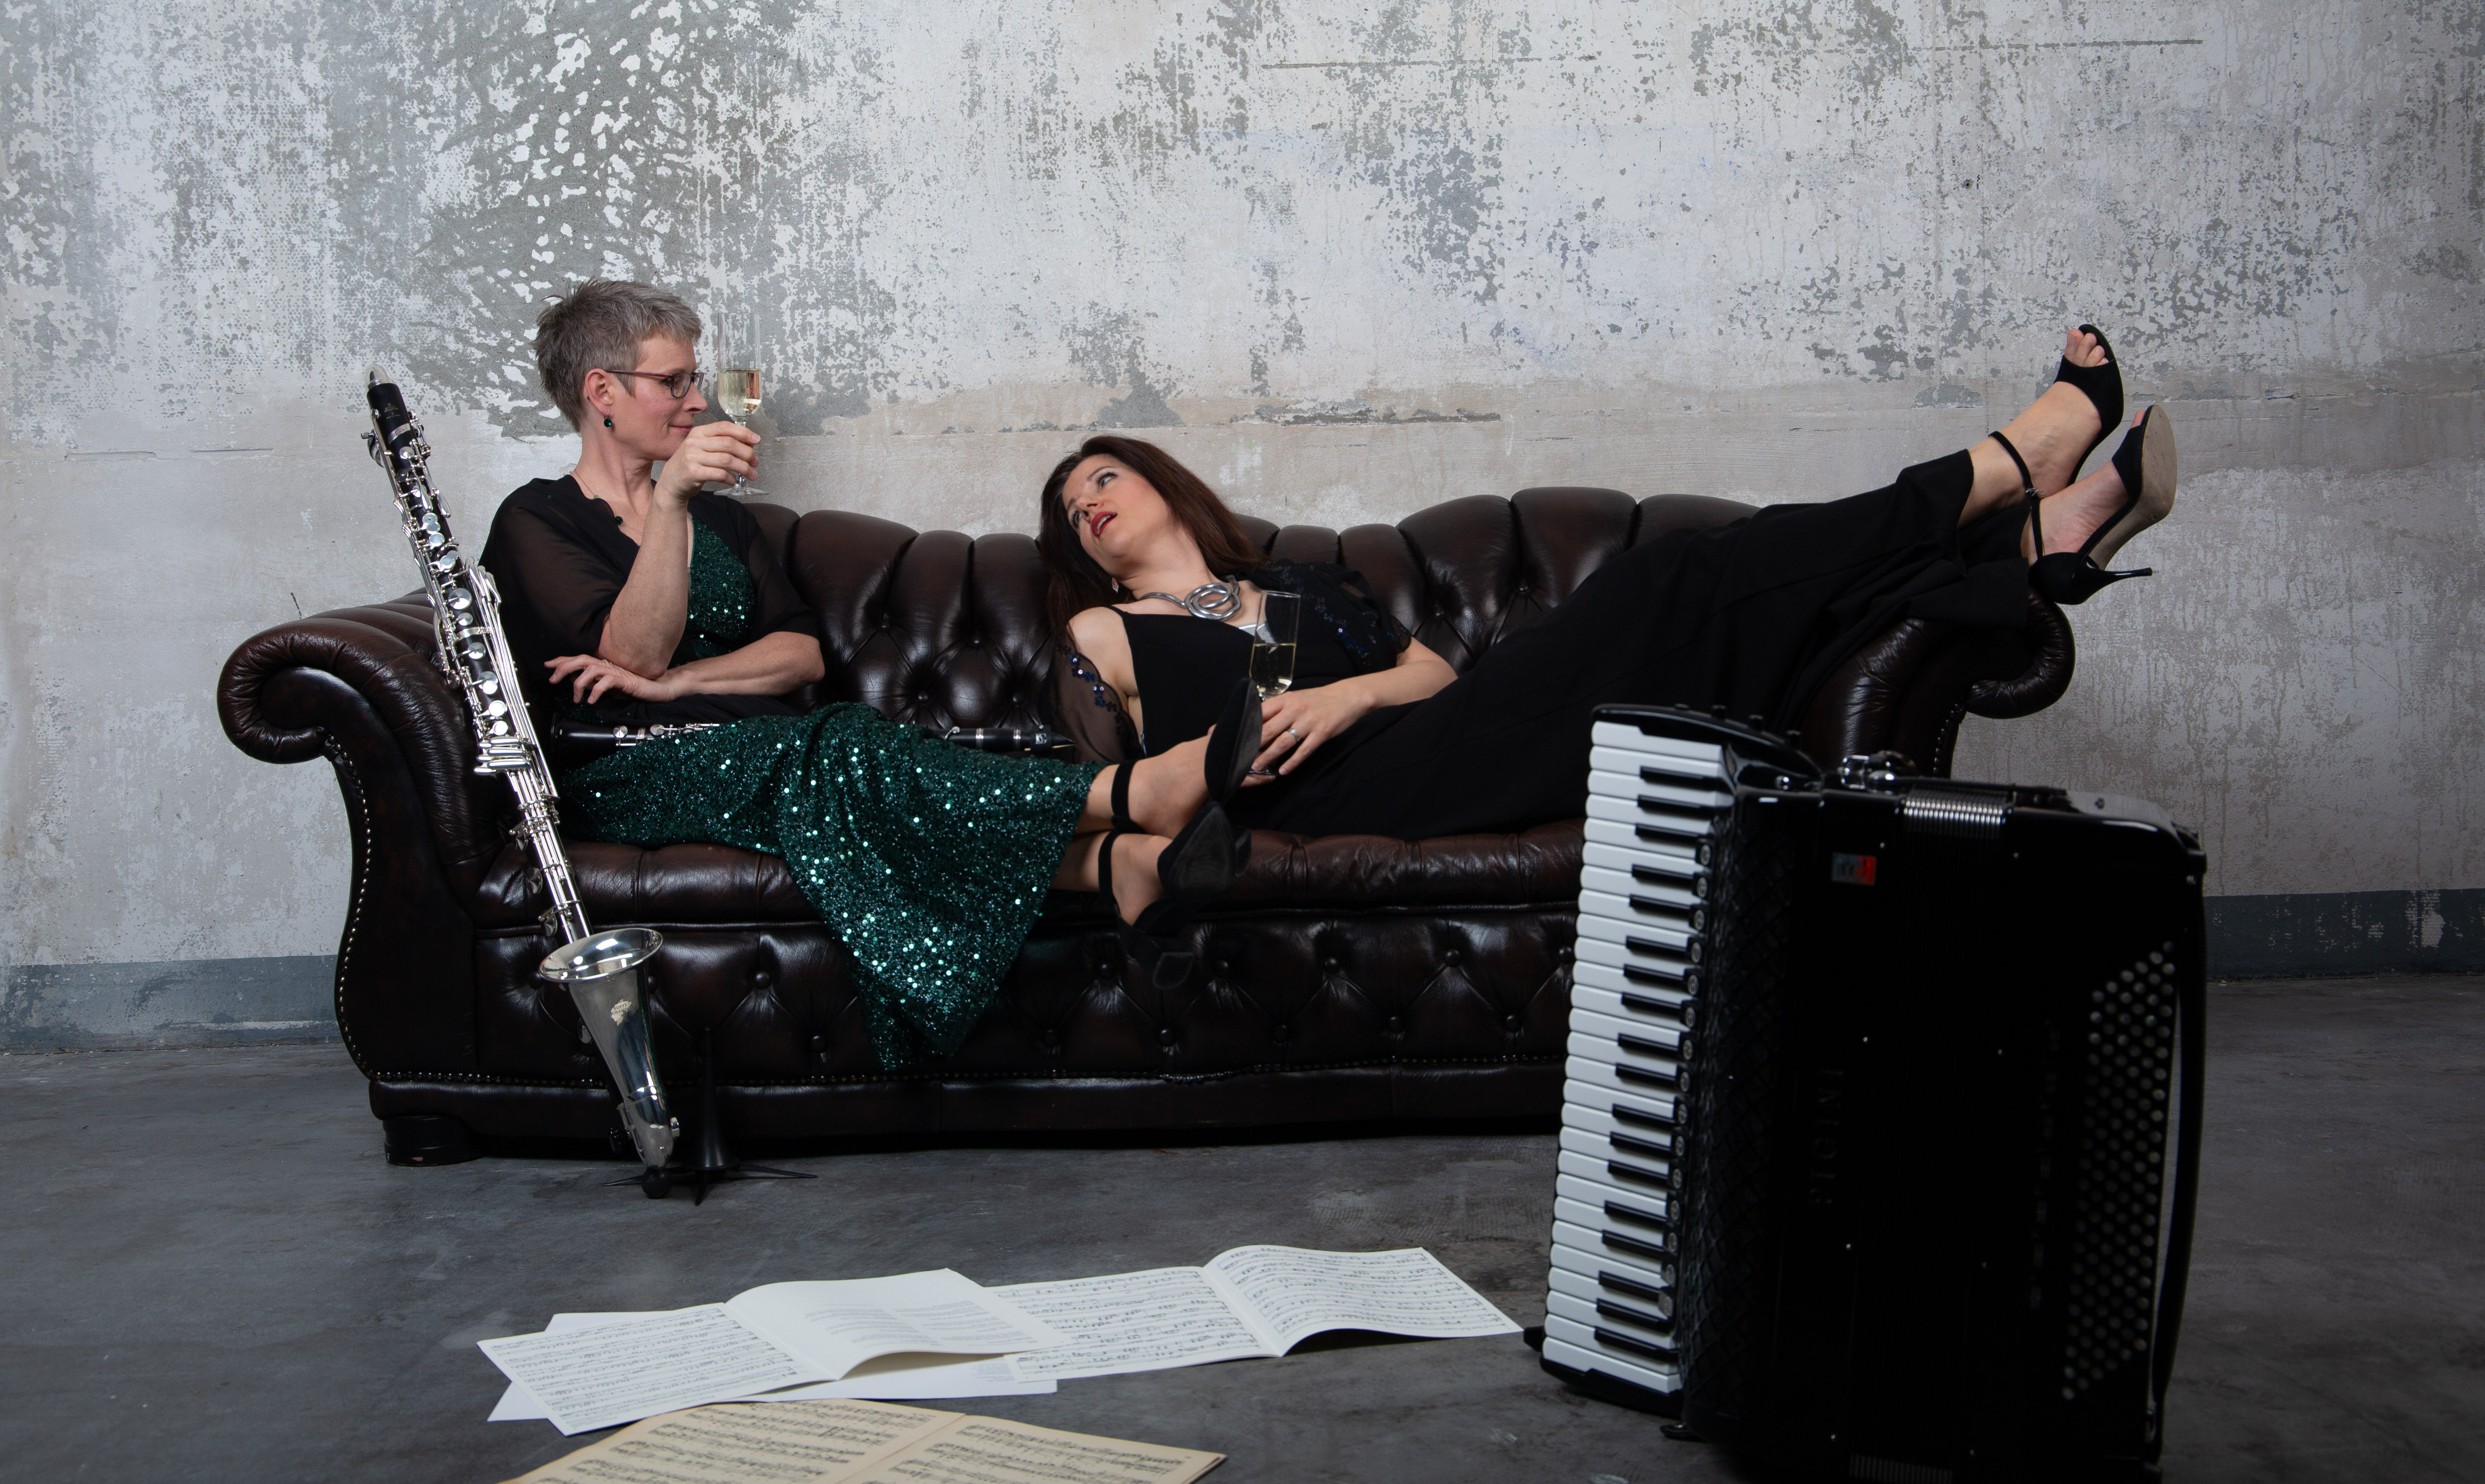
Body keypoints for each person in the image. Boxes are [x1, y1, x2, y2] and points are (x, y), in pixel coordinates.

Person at [480, 281, 1257, 1065]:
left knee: (841, 762)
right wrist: (672, 500)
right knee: (842, 744)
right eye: (673, 380)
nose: (696, 400)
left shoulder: (726, 520)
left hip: (777, 755)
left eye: (695, 378)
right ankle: (1131, 795)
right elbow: (634, 656)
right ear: (602, 392)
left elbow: (800, 653)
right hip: (633, 772)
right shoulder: (537, 519)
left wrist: (682, 682)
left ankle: (1123, 863)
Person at [1039, 328, 2176, 841]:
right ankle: (2003, 484)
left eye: (1104, 475)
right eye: (1072, 508)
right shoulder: (1106, 628)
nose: (1089, 501)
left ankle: (2024, 542)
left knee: (1715, 597)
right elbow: (1119, 786)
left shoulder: (1301, 583)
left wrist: (1346, 695)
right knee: (1676, 575)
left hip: (1433, 740)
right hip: (1324, 803)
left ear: (1164, 486)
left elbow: (1429, 674)